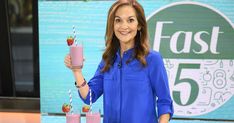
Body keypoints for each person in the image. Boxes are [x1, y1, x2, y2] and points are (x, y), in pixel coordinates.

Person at [64, 0, 174, 123]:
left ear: (139, 25)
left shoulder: (153, 59)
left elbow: (165, 102)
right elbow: (89, 96)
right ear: (112, 25)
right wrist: (77, 71)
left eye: (130, 20)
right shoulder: (107, 59)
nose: (124, 26)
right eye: (118, 20)